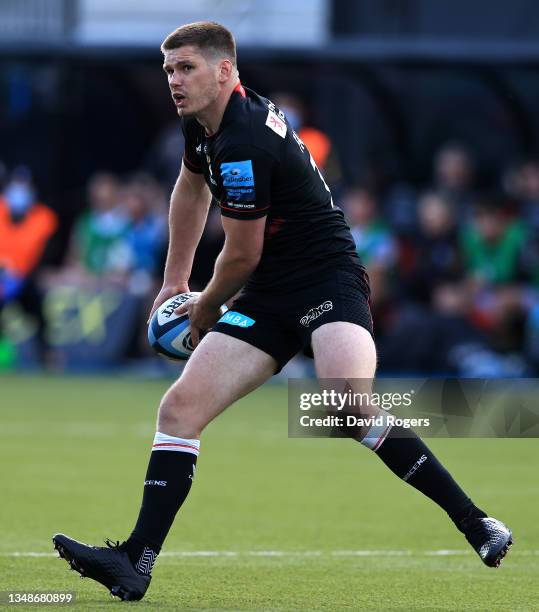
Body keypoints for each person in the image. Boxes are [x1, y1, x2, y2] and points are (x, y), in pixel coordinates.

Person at [52, 21, 512, 601]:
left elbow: (240, 256)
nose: (173, 80)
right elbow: (190, 190)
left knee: (346, 404)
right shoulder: (205, 122)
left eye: (186, 67)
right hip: (269, 295)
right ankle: (134, 562)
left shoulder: (243, 140)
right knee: (179, 411)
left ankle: (476, 523)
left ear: (225, 71)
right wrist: (173, 282)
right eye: (168, 69)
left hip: (327, 280)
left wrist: (203, 311)